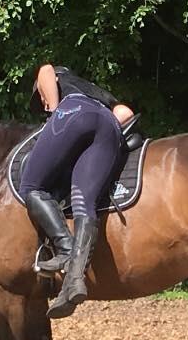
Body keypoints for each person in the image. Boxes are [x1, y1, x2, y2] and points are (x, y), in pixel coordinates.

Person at [20, 64, 135, 319]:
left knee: (31, 187)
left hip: (72, 112)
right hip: (108, 124)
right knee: (85, 203)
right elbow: (125, 113)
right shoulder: (97, 91)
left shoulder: (58, 80)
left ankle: (64, 249)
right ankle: (74, 280)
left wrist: (53, 108)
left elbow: (46, 69)